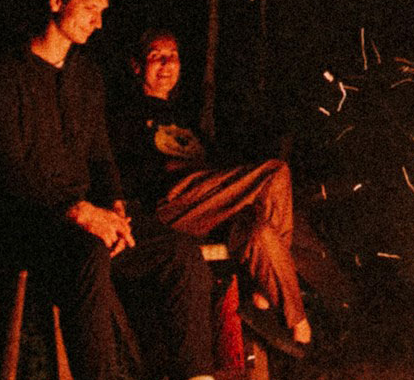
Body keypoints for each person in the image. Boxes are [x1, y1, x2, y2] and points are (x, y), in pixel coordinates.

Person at [0, 0, 275, 380]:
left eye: (102, 12)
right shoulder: (6, 74)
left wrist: (113, 204)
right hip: (21, 219)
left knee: (177, 251)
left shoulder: (85, 76)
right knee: (87, 250)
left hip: (82, 213)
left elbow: (100, 157)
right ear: (55, 2)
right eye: (89, 8)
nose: (98, 21)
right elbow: (6, 168)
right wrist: (77, 211)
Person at [109, 29, 313, 356]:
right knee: (275, 172)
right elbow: (123, 172)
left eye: (172, 56)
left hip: (208, 206)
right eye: (155, 56)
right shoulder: (126, 114)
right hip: (168, 205)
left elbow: (218, 167)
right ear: (137, 66)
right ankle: (290, 312)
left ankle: (271, 305)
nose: (166, 64)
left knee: (260, 232)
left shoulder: (186, 118)